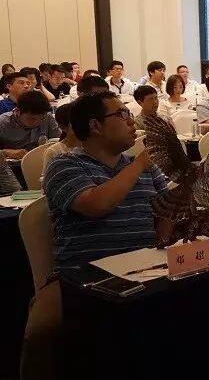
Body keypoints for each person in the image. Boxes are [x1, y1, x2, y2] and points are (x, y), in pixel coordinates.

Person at [44, 91, 169, 264]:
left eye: (130, 114)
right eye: (122, 114)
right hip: (87, 273)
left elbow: (167, 212)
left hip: (146, 268)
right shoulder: (63, 165)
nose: (131, 121)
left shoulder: (146, 167)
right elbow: (95, 205)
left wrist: (161, 248)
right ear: (95, 126)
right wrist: (140, 164)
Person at [0, 91, 60, 158]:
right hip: (13, 162)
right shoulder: (3, 122)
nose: (36, 123)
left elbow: (58, 140)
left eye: (42, 119)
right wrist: (6, 152)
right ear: (18, 112)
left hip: (43, 159)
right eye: (31, 119)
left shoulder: (47, 116)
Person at [42, 103, 79, 175]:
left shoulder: (92, 145)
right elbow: (47, 179)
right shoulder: (54, 152)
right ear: (62, 127)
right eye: (77, 122)